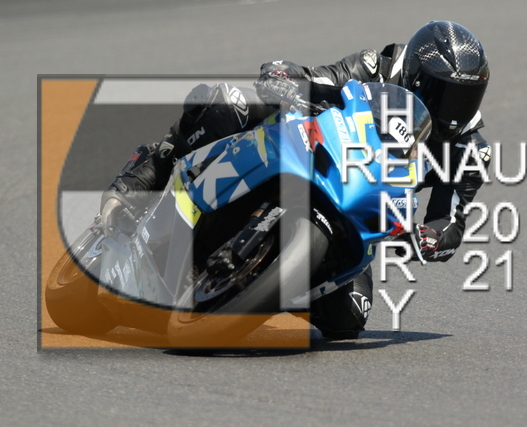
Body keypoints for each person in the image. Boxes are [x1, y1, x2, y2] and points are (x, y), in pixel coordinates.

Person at [101, 21, 491, 339]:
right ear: (417, 77)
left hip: (358, 207)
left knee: (348, 320)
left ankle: (258, 284)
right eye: (446, 95)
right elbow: (316, 78)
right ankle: (144, 176)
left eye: (466, 99)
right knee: (229, 104)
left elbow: (450, 219)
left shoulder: (467, 149)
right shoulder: (376, 67)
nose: (454, 112)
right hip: (314, 153)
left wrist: (430, 237)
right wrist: (284, 77)